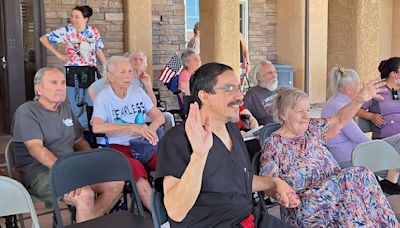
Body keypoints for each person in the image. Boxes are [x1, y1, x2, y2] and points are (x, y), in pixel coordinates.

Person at [155, 63, 300, 227]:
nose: (240, 96)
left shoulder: (231, 129)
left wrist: (274, 182)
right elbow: (176, 211)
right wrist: (199, 156)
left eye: (239, 88)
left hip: (249, 219)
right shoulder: (177, 139)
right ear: (205, 96)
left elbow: (236, 181)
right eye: (229, 89)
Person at [260, 86, 398, 226]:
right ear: (283, 114)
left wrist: (359, 100)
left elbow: (339, 120)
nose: (306, 116)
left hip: (338, 198)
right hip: (306, 207)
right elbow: (268, 183)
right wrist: (280, 194)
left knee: (361, 178)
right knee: (352, 182)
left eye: (308, 110)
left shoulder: (311, 129)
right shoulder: (273, 145)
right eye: (300, 111)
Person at [12, 67, 123, 223]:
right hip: (40, 174)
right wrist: (67, 172)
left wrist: (93, 161)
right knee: (85, 195)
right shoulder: (27, 112)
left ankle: (85, 221)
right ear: (39, 89)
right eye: (54, 83)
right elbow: (36, 149)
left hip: (71, 168)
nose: (60, 87)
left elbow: (79, 141)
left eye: (63, 83)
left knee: (116, 183)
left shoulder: (64, 108)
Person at [91, 56, 165, 210]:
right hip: (117, 148)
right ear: (110, 76)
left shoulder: (137, 91)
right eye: (123, 72)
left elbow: (159, 116)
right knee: (139, 175)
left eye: (130, 71)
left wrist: (150, 130)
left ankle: (179, 210)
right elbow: (96, 127)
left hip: (142, 145)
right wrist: (132, 127)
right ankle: (162, 220)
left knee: (169, 164)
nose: (128, 75)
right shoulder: (104, 97)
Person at [322, 66, 400, 194]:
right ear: (348, 88)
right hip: (352, 157)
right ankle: (390, 183)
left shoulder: (335, 102)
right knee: (395, 159)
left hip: (355, 151)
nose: (361, 88)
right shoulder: (339, 106)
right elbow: (358, 138)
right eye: (358, 85)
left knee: (396, 154)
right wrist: (382, 149)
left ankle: (390, 181)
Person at [39, 5, 106, 128]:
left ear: (85, 19)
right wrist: (59, 55)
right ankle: (78, 134)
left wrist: (107, 68)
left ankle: (92, 131)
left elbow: (98, 50)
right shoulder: (67, 31)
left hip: (90, 70)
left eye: (77, 17)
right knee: (77, 105)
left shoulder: (93, 31)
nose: (73, 19)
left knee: (94, 102)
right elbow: (43, 39)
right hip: (74, 71)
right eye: (72, 16)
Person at [88, 51, 175, 132]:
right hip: (120, 128)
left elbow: (154, 109)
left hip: (140, 119)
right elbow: (92, 88)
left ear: (145, 65)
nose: (137, 61)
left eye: (141, 60)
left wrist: (148, 85)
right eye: (134, 59)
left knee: (166, 117)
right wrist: (100, 108)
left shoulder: (139, 89)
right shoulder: (106, 93)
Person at [357, 57, 400, 139]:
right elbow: (355, 109)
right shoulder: (376, 89)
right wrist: (371, 116)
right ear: (394, 73)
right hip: (385, 141)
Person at [244, 60, 278, 125]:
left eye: (275, 72)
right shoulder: (252, 94)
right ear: (259, 77)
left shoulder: (277, 90)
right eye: (270, 73)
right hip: (268, 131)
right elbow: (244, 119)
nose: (275, 76)